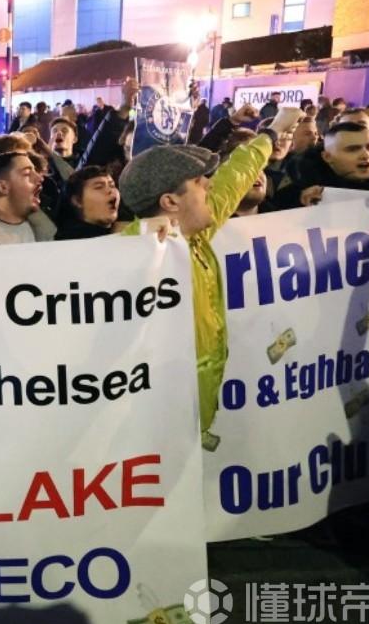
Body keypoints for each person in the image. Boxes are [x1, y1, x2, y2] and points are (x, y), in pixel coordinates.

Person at [119, 106, 301, 441]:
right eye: (198, 181)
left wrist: (273, 131)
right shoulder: (132, 258)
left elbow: (235, 176)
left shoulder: (196, 234)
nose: (210, 185)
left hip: (197, 421)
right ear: (170, 202)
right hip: (157, 431)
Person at [273, 120, 369, 208]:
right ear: (327, 157)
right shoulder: (298, 191)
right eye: (353, 149)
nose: (366, 155)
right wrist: (298, 203)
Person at [54, 166, 119, 240]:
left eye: (112, 186)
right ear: (77, 200)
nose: (110, 190)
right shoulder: (69, 242)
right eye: (99, 187)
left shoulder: (122, 230)